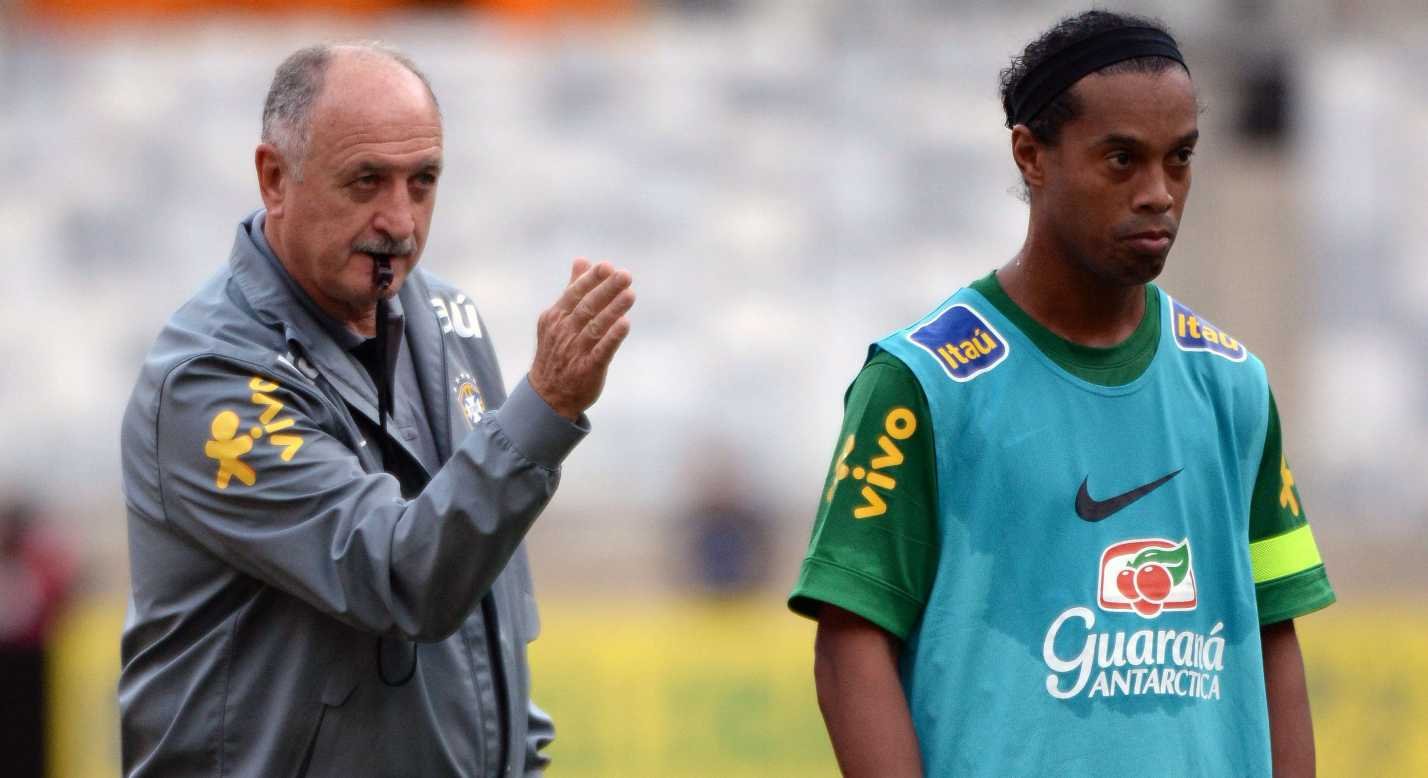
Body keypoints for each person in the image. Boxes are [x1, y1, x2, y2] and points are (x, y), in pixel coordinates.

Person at [788, 11, 1334, 777]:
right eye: (1121, 160)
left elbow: (1275, 631)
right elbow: (850, 647)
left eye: (1179, 160)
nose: (1159, 194)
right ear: (1030, 155)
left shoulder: (1234, 384)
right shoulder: (923, 384)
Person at [119, 42, 634, 777]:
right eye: (367, 180)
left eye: (422, 182)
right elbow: (400, 576)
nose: (399, 219)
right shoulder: (210, 381)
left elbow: (488, 596)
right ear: (275, 178)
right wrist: (543, 409)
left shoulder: (450, 319)